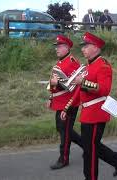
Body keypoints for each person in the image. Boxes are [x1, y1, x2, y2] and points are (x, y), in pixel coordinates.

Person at [61, 32, 117, 180]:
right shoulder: (87, 66)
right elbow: (79, 90)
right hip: (87, 112)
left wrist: (82, 82)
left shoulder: (103, 65)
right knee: (90, 146)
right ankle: (116, 159)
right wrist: (67, 107)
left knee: (89, 150)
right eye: (83, 46)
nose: (83, 49)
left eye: (86, 46)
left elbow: (104, 89)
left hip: (97, 112)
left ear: (96, 48)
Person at [46, 34, 83, 170]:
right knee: (62, 130)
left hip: (69, 103)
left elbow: (72, 85)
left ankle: (64, 159)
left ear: (67, 47)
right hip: (59, 101)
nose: (57, 49)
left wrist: (58, 83)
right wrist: (51, 97)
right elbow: (56, 83)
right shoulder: (61, 61)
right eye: (56, 46)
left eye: (60, 46)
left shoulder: (72, 62)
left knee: (65, 132)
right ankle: (87, 146)